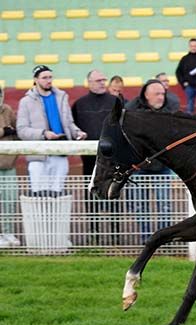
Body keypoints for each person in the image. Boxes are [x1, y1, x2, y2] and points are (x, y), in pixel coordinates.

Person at [16, 65, 87, 196]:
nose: (48, 80)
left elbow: (69, 123)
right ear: (35, 80)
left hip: (60, 152)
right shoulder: (25, 102)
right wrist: (44, 134)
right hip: (38, 155)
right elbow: (21, 130)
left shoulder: (61, 97)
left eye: (50, 77)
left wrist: (77, 132)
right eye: (44, 78)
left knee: (58, 194)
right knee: (39, 196)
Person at [72, 69, 121, 245]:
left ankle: (116, 235)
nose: (102, 82)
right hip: (90, 158)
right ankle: (94, 234)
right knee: (91, 195)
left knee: (114, 193)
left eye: (104, 79)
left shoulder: (115, 101)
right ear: (89, 82)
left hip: (113, 158)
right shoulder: (79, 104)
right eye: (98, 80)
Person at [125, 80, 174, 243]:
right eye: (157, 94)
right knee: (140, 207)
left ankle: (162, 240)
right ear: (146, 95)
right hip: (139, 168)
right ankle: (146, 240)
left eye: (162, 94)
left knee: (165, 206)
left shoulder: (168, 113)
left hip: (162, 168)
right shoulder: (132, 112)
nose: (161, 97)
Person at [0, 86, 20, 247]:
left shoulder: (8, 110)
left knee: (9, 200)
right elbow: (7, 131)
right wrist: (3, 131)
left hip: (8, 164)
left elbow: (17, 131)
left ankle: (8, 233)